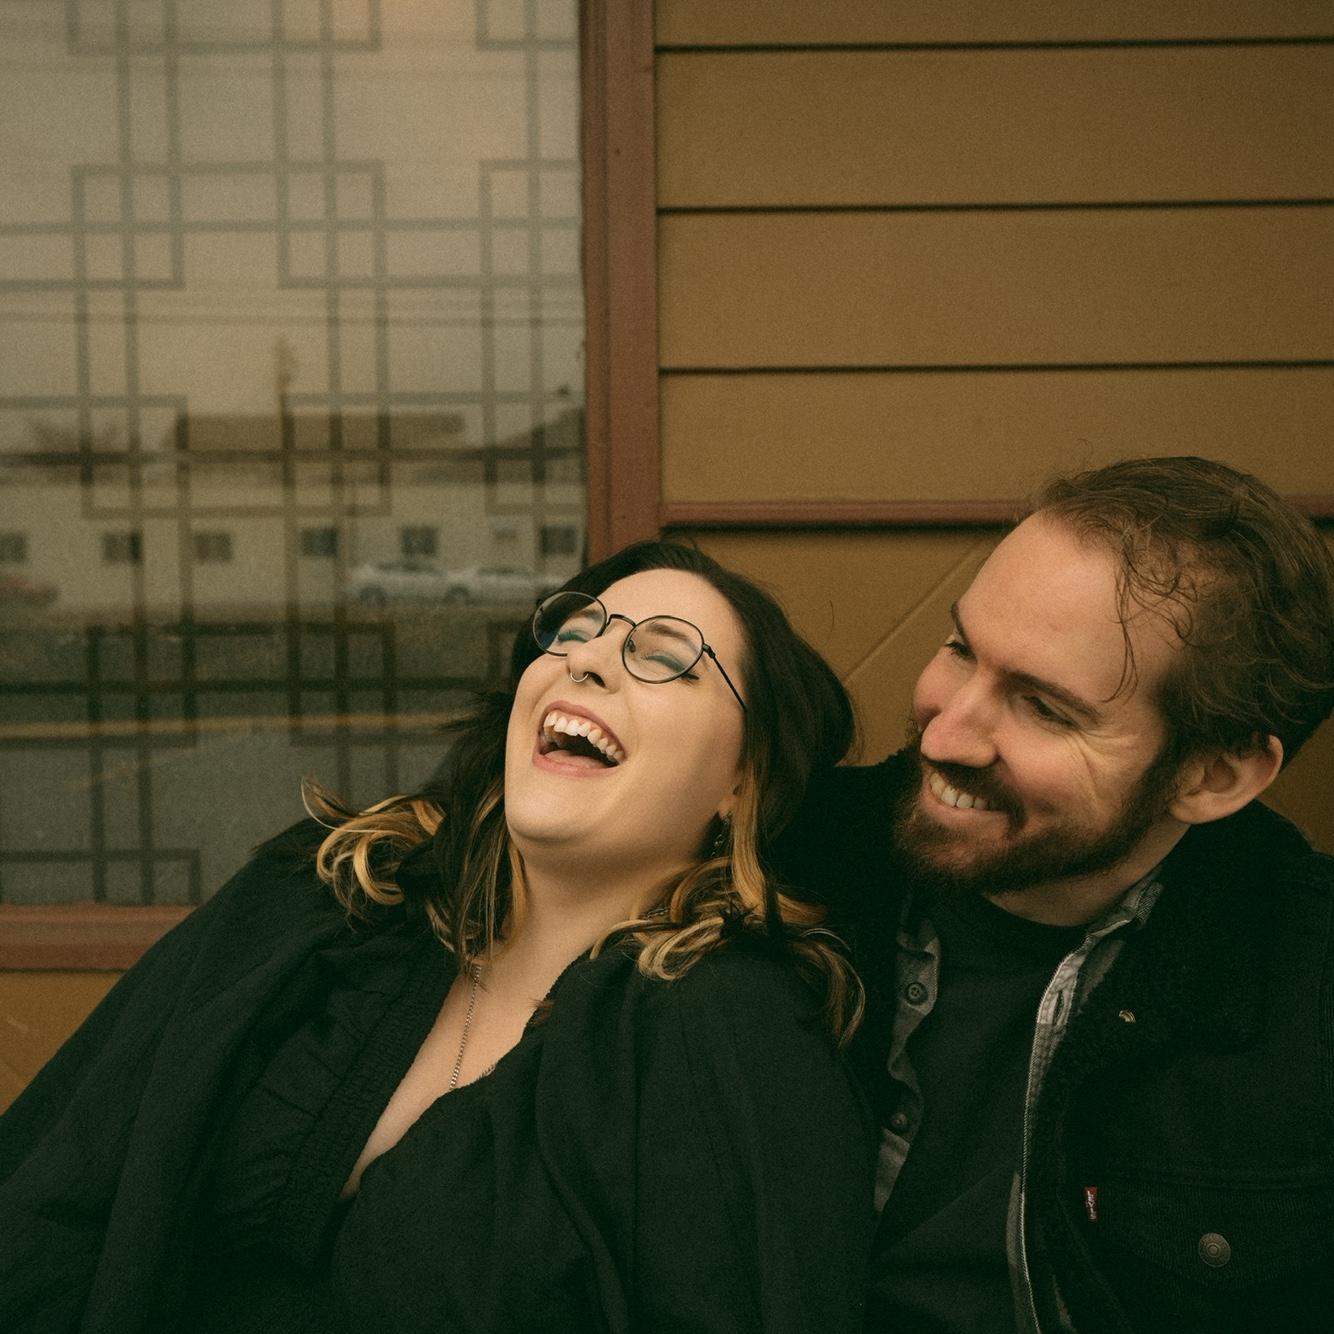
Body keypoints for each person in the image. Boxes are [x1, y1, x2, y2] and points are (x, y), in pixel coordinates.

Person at [0, 541, 876, 1333]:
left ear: (741, 779)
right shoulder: (332, 894)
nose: (586, 660)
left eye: (663, 656)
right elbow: (63, 1178)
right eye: (575, 632)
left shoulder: (733, 1038)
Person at [779, 456, 1334, 1332]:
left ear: (1213, 775)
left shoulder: (1306, 997)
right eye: (960, 649)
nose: (948, 733)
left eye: (1044, 708)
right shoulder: (779, 870)